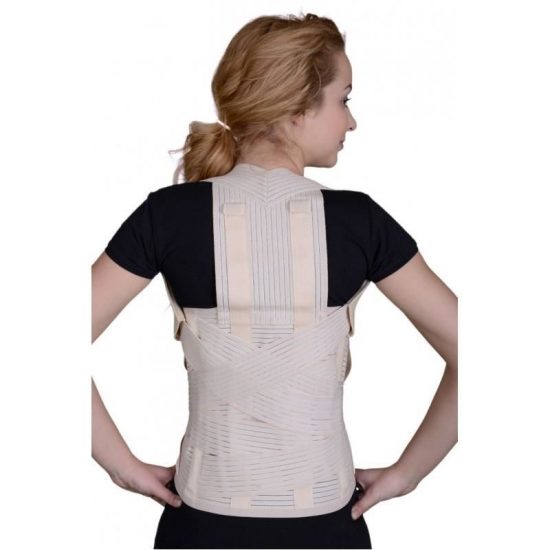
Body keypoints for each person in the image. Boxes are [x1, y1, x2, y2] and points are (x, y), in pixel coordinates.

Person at [91, 12, 457, 549]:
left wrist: (120, 465)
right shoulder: (360, 222)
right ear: (297, 107)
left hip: (200, 528)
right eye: (344, 100)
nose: (351, 122)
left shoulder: (167, 216)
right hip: (327, 532)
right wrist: (408, 474)